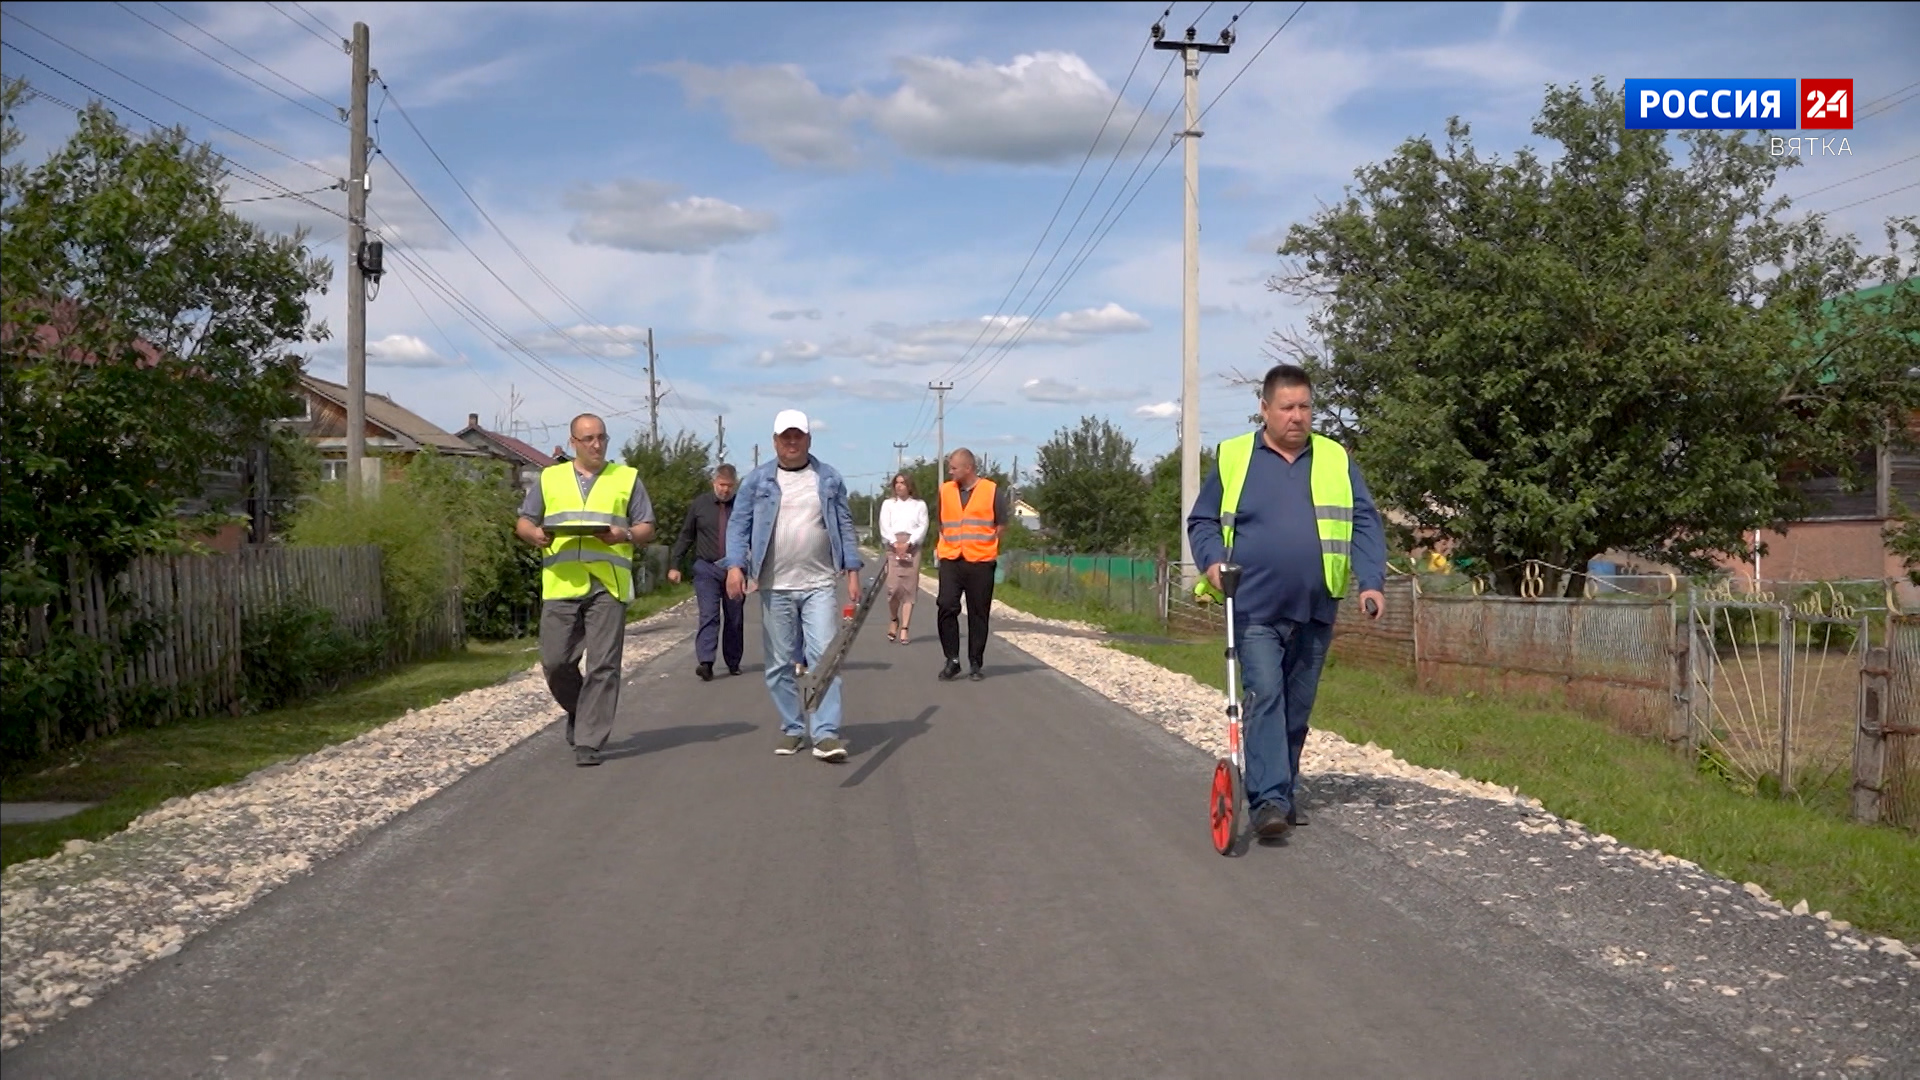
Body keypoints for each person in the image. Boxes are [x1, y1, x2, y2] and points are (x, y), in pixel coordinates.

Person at [1187, 363, 1387, 837]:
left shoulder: (1335, 458)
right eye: (1287, 407)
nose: (1297, 416)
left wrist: (1371, 582)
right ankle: (1269, 802)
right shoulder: (1236, 457)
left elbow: (1364, 521)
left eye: (1305, 406)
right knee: (1267, 696)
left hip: (1317, 606)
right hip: (1253, 606)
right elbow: (1203, 521)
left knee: (1298, 706)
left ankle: (1283, 787)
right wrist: (1213, 564)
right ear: (1264, 410)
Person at [722, 409, 864, 762]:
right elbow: (738, 526)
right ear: (775, 441)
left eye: (797, 435)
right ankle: (793, 727)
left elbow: (844, 525)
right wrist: (735, 567)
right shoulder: (758, 481)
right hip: (774, 584)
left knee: (825, 659)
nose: (791, 441)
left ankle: (826, 733)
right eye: (785, 436)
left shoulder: (828, 478)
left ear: (808, 439)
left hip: (818, 583)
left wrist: (852, 570)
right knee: (778, 662)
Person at [515, 413, 655, 767]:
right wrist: (532, 534)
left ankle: (589, 740)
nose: (596, 445)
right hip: (562, 582)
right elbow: (524, 521)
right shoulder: (550, 477)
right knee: (555, 661)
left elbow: (646, 527)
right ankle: (581, 711)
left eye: (601, 438)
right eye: (588, 439)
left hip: (608, 584)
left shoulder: (626, 479)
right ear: (574, 442)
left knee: (604, 664)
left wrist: (622, 535)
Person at [934, 448, 1009, 682]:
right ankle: (952, 660)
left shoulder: (991, 490)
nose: (950, 471)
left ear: (968, 468)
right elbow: (941, 521)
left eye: (954, 467)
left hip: (981, 561)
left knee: (978, 613)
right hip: (951, 558)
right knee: (946, 605)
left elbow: (1002, 524)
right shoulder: (945, 491)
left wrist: (987, 544)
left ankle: (975, 662)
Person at [668, 464, 744, 680]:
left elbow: (753, 537)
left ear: (735, 485)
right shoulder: (700, 505)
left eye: (730, 486)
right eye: (722, 485)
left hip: (734, 570)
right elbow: (686, 535)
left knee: (734, 618)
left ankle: (733, 661)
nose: (725, 490)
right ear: (714, 483)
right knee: (708, 615)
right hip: (706, 568)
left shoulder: (741, 507)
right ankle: (706, 662)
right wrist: (675, 564)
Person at [878, 471, 928, 646]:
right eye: (897, 483)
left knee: (909, 589)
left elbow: (923, 525)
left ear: (909, 486)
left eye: (903, 483)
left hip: (912, 547)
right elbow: (884, 525)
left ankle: (905, 627)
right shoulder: (888, 504)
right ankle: (894, 618)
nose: (899, 486)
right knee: (893, 589)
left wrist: (910, 542)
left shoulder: (919, 505)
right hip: (893, 546)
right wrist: (895, 543)